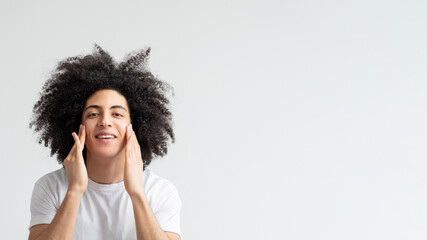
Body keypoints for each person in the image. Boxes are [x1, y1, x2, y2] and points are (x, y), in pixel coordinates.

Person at [28, 45, 181, 240]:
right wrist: (74, 191)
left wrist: (136, 193)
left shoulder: (160, 191)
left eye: (117, 114)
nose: (105, 121)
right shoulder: (51, 187)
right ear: (76, 124)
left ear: (137, 126)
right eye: (93, 114)